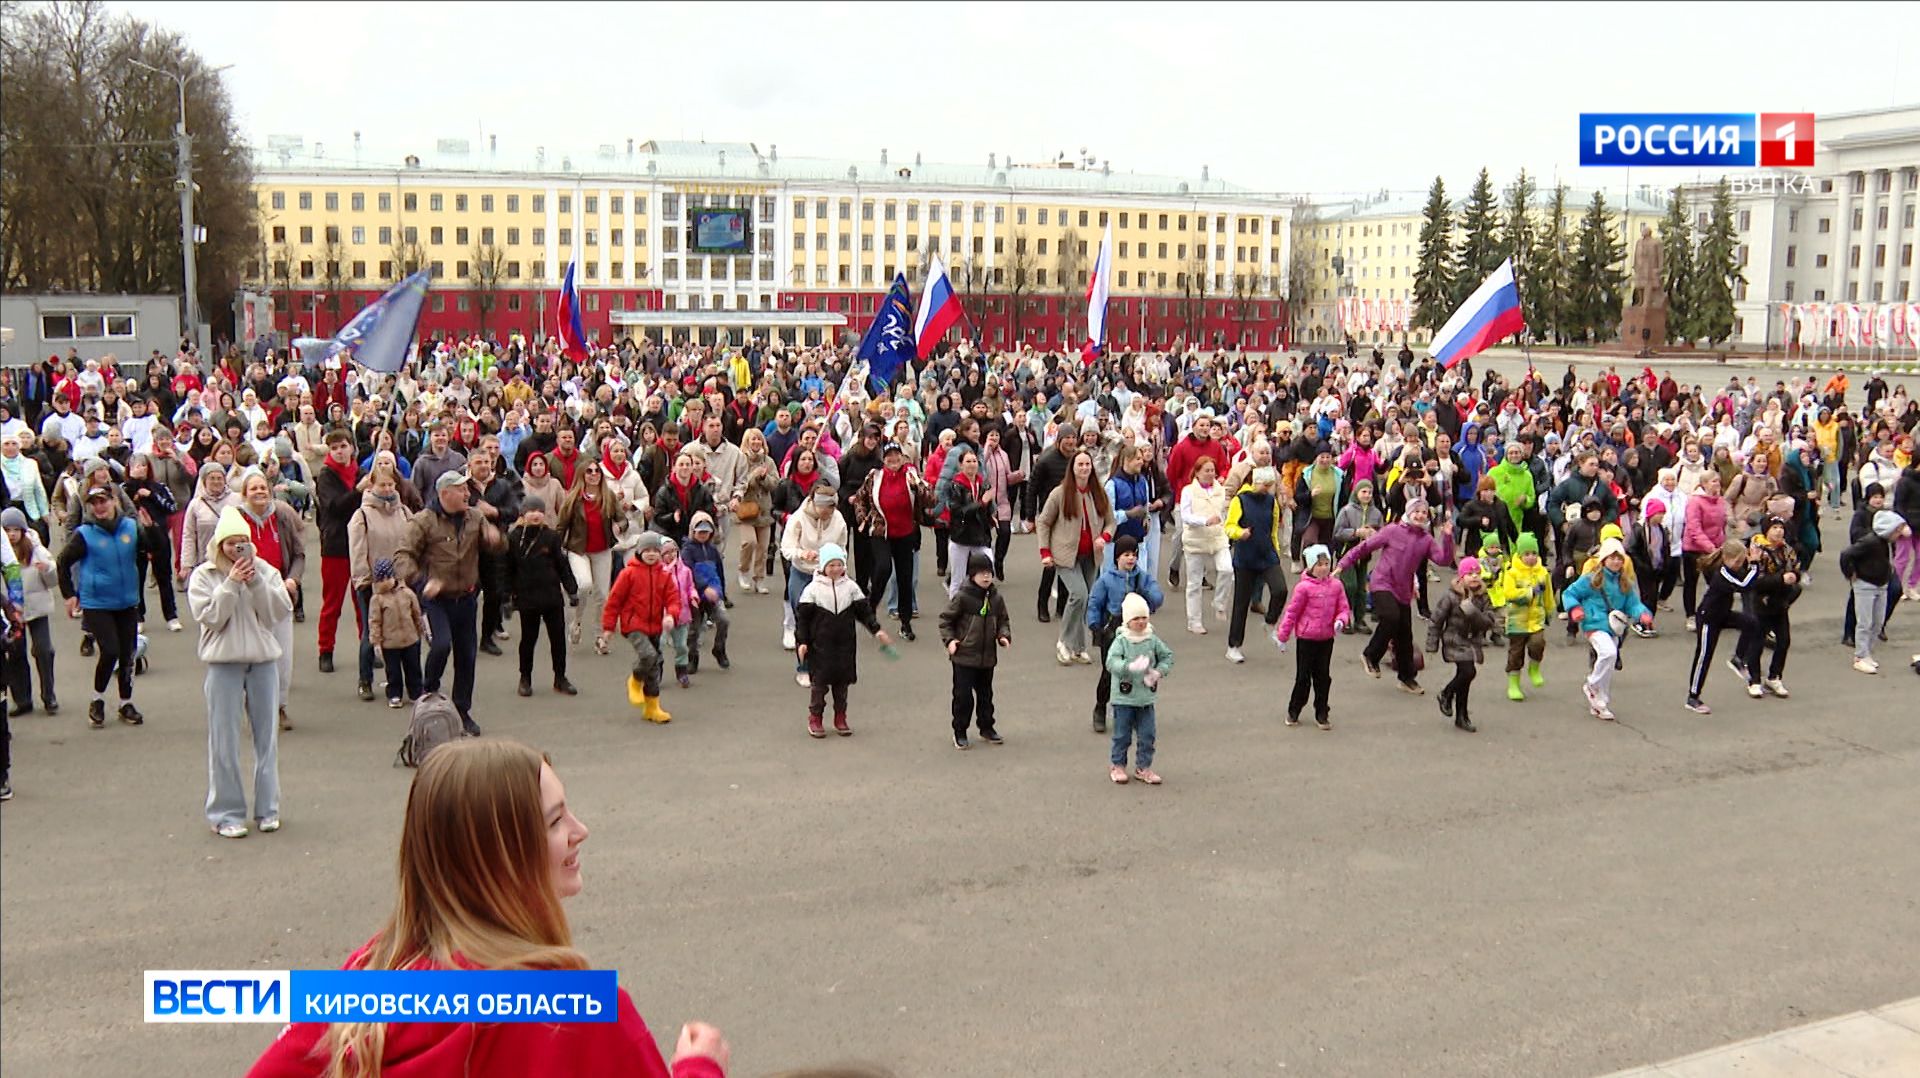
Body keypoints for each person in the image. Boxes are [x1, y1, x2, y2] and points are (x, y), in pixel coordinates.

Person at [245, 738, 731, 1078]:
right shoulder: (577, 1012)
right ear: (500, 855)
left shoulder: (369, 974)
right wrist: (698, 1067)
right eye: (556, 820)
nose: (580, 830)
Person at [190, 506, 293, 838]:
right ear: (219, 546)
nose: (237, 549)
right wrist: (231, 584)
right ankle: (226, 813)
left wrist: (257, 581)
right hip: (224, 663)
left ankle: (268, 808)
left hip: (263, 661)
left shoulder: (265, 570)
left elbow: (277, 611)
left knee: (267, 739)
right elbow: (211, 617)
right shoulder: (205, 575)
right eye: (231, 543)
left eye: (242, 542)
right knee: (224, 741)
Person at [393, 470, 507, 737]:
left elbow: (498, 548)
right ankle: (428, 697)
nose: (468, 494)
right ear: (445, 494)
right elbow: (402, 556)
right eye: (462, 490)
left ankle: (462, 711)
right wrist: (422, 583)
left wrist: (496, 539)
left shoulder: (475, 517)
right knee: (441, 645)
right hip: (436, 600)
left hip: (466, 597)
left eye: (467, 490)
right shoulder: (424, 521)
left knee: (467, 656)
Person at [1336, 498, 1454, 695]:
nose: (1420, 515)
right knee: (1391, 617)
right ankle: (1370, 656)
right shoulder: (1392, 530)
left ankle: (1407, 678)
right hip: (1381, 583)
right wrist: (1343, 564)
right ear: (1408, 513)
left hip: (1403, 590)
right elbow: (1365, 547)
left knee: (1404, 636)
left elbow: (1443, 559)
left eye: (1424, 512)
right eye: (1416, 511)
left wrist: (1448, 538)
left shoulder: (1426, 540)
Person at [56, 484, 148, 729]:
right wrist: (69, 595)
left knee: (128, 653)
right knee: (110, 650)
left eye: (103, 501)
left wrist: (151, 529)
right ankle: (97, 700)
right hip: (97, 602)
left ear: (113, 500)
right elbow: (63, 562)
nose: (99, 507)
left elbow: (153, 549)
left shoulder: (130, 526)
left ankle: (125, 703)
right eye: (94, 503)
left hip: (127, 600)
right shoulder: (85, 534)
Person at [793, 542, 891, 739]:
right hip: (819, 647)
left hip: (845, 646)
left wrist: (876, 630)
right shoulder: (812, 591)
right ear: (823, 567)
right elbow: (802, 620)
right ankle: (815, 718)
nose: (836, 569)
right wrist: (802, 642)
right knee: (819, 686)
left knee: (842, 686)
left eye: (839, 564)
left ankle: (840, 717)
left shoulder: (851, 588)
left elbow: (865, 613)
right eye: (831, 565)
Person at [235, 469, 307, 731]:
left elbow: (299, 554)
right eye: (253, 488)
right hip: (247, 596)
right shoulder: (236, 520)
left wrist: (293, 581)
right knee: (252, 655)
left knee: (282, 654)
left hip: (280, 594)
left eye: (263, 487)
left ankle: (279, 706)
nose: (259, 492)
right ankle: (253, 703)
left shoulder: (282, 516)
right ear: (244, 494)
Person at [1036, 449, 1114, 664]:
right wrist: (1045, 552)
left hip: (1091, 554)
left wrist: (1104, 537)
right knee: (1078, 594)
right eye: (1080, 464)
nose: (1084, 468)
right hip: (1065, 554)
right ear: (1072, 468)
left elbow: (1111, 521)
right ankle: (1063, 642)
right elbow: (1043, 522)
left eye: (1087, 464)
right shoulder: (1059, 494)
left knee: (1085, 599)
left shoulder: (1098, 492)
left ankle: (1079, 647)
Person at [347, 463, 416, 703]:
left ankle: (407, 682)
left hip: (401, 583)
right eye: (382, 485)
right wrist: (364, 581)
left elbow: (412, 544)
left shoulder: (404, 512)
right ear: (372, 486)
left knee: (405, 631)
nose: (387, 489)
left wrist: (409, 574)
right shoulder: (362, 515)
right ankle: (365, 680)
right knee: (371, 633)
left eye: (390, 484)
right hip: (372, 584)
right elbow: (357, 550)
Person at [600, 532, 681, 724]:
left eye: (655, 550)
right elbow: (614, 601)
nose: (651, 554)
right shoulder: (628, 573)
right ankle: (635, 680)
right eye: (647, 550)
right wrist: (608, 627)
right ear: (639, 552)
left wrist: (671, 614)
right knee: (648, 656)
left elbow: (673, 599)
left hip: (655, 626)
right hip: (633, 624)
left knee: (654, 667)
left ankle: (652, 708)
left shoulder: (664, 575)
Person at [853, 441, 931, 640]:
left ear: (903, 458)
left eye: (897, 456)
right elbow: (860, 498)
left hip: (905, 534)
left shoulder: (911, 475)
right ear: (883, 459)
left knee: (905, 579)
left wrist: (917, 488)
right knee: (883, 568)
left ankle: (905, 623)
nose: (893, 460)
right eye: (889, 456)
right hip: (881, 532)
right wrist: (863, 518)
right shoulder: (875, 476)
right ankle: (871, 606)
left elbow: (931, 500)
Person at [505, 495, 578, 697]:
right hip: (527, 597)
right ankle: (525, 677)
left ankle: (560, 677)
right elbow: (507, 568)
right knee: (528, 639)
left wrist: (571, 589)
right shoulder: (514, 538)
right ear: (523, 514)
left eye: (539, 511)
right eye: (530, 511)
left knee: (558, 639)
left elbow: (562, 565)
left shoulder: (552, 537)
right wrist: (507, 596)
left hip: (552, 596)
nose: (535, 515)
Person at [1274, 544, 1351, 730]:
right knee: (1303, 677)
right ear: (1310, 567)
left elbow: (1344, 608)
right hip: (1306, 639)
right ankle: (1294, 710)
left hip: (1326, 639)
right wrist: (1282, 636)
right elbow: (1292, 613)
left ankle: (1322, 712)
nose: (1324, 568)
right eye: (1319, 564)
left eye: (1326, 563)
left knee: (1323, 677)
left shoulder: (1336, 586)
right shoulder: (1303, 588)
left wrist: (1341, 620)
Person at [940, 550, 1011, 750]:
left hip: (987, 657)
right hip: (964, 657)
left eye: (989, 572)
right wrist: (950, 641)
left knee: (986, 695)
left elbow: (1003, 620)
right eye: (982, 573)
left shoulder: (996, 598)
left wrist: (1003, 635)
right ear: (972, 575)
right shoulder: (963, 597)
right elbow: (945, 620)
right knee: (963, 697)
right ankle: (960, 731)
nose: (986, 576)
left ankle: (987, 727)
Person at [1103, 591, 1173, 785]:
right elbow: (1111, 662)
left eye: (1144, 617)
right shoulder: (1121, 641)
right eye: (1136, 618)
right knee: (1122, 734)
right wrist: (1128, 667)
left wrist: (1158, 672)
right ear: (1127, 620)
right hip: (1124, 699)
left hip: (1146, 698)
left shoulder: (1152, 639)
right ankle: (1118, 765)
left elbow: (1167, 656)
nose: (1141, 622)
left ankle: (1144, 767)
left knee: (1148, 734)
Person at [1679, 539, 1757, 713]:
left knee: (1751, 623)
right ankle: (1693, 696)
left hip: (1722, 615)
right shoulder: (1721, 573)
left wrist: (1753, 566)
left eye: (1741, 561)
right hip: (1708, 619)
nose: (1739, 565)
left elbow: (1748, 580)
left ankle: (1738, 658)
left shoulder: (1733, 570)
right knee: (1704, 656)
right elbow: (1744, 585)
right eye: (1737, 561)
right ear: (1726, 559)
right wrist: (1755, 566)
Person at [1222, 465, 1289, 664]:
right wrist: (1239, 533)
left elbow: (1273, 528)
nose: (1267, 489)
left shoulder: (1271, 501)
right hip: (1246, 557)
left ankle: (1270, 621)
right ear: (1255, 482)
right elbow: (1229, 526)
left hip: (1267, 554)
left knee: (1281, 589)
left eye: (1270, 485)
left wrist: (1275, 551)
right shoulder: (1240, 500)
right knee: (1241, 604)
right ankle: (1234, 646)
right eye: (1265, 485)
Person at [1426, 556, 1498, 733]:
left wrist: (1473, 612)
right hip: (1454, 639)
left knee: (1464, 679)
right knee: (1468, 671)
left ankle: (1461, 716)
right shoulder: (1450, 596)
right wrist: (1432, 644)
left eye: (1477, 573)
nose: (1474, 577)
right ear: (1461, 577)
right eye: (1469, 573)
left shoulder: (1483, 596)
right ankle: (1446, 693)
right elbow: (1436, 620)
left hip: (1472, 641)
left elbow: (1489, 621)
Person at [312, 429, 360, 673]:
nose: (340, 452)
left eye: (343, 446)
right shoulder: (326, 476)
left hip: (360, 545)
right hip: (336, 545)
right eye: (334, 448)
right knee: (333, 602)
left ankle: (368, 647)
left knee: (363, 600)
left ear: (351, 447)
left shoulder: (360, 472)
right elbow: (335, 507)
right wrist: (359, 492)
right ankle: (325, 649)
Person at [1487, 533, 1555, 701]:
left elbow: (1548, 594)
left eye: (1534, 553)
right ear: (1520, 554)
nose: (1531, 557)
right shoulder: (1512, 572)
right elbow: (1508, 593)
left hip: (1536, 619)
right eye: (1527, 554)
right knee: (1516, 653)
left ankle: (1534, 667)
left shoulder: (1542, 573)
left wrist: (1549, 610)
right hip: (1517, 620)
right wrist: (1529, 592)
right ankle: (1514, 683)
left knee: (1538, 643)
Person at [1839, 510, 1908, 675]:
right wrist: (1850, 574)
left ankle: (1867, 652)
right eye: (1897, 530)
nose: (1899, 534)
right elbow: (1846, 554)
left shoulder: (1885, 542)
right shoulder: (1869, 541)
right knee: (1865, 622)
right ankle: (1860, 656)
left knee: (1877, 622)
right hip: (1865, 585)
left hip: (1881, 585)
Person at [3, 509, 57, 714]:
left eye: (16, 530)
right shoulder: (3, 554)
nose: (12, 535)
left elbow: (53, 580)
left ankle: (49, 695)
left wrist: (47, 570)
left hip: (38, 608)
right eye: (7, 530)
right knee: (15, 654)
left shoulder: (36, 549)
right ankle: (23, 700)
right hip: (13, 612)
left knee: (44, 651)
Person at [1739, 516, 1800, 698]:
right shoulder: (1757, 549)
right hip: (1761, 602)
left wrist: (1794, 576)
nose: (1779, 531)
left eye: (1781, 527)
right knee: (1757, 642)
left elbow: (1796, 567)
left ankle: (1774, 676)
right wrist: (1780, 579)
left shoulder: (1787, 549)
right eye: (1774, 527)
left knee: (1783, 641)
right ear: (1766, 530)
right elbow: (1755, 580)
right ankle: (1754, 680)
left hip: (1780, 602)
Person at [1176, 456, 1233, 635]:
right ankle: (1194, 621)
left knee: (1227, 570)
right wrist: (1204, 521)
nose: (1210, 474)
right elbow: (1185, 515)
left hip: (1217, 537)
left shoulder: (1220, 490)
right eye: (1206, 470)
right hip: (1195, 540)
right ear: (1198, 472)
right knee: (1194, 583)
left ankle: (1219, 602)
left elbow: (1226, 511)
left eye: (1212, 470)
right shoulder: (1188, 491)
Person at [368, 558, 427, 708]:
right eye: (380, 580)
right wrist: (376, 642)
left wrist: (423, 631)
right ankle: (394, 694)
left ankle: (416, 692)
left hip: (410, 639)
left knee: (413, 668)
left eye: (386, 578)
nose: (383, 582)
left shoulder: (407, 593)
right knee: (393, 671)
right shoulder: (377, 599)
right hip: (390, 643)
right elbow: (375, 622)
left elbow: (416, 613)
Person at [680, 513, 730, 671]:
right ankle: (692, 657)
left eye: (706, 532)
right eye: (699, 531)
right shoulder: (687, 551)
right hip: (696, 595)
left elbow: (719, 572)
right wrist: (703, 588)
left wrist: (722, 591)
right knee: (694, 629)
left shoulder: (713, 550)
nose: (703, 535)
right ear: (693, 531)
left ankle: (719, 649)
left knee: (723, 620)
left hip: (714, 593)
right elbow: (689, 573)